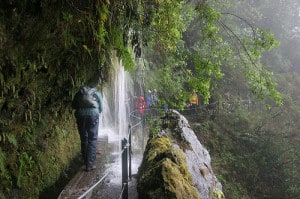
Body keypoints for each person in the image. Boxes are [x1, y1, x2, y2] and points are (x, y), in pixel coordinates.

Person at [72, 86, 103, 172]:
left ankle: (85, 161)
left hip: (81, 115)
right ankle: (89, 165)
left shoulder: (79, 93)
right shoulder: (96, 93)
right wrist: (97, 112)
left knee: (84, 138)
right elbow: (101, 106)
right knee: (92, 139)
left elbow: (73, 105)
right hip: (93, 115)